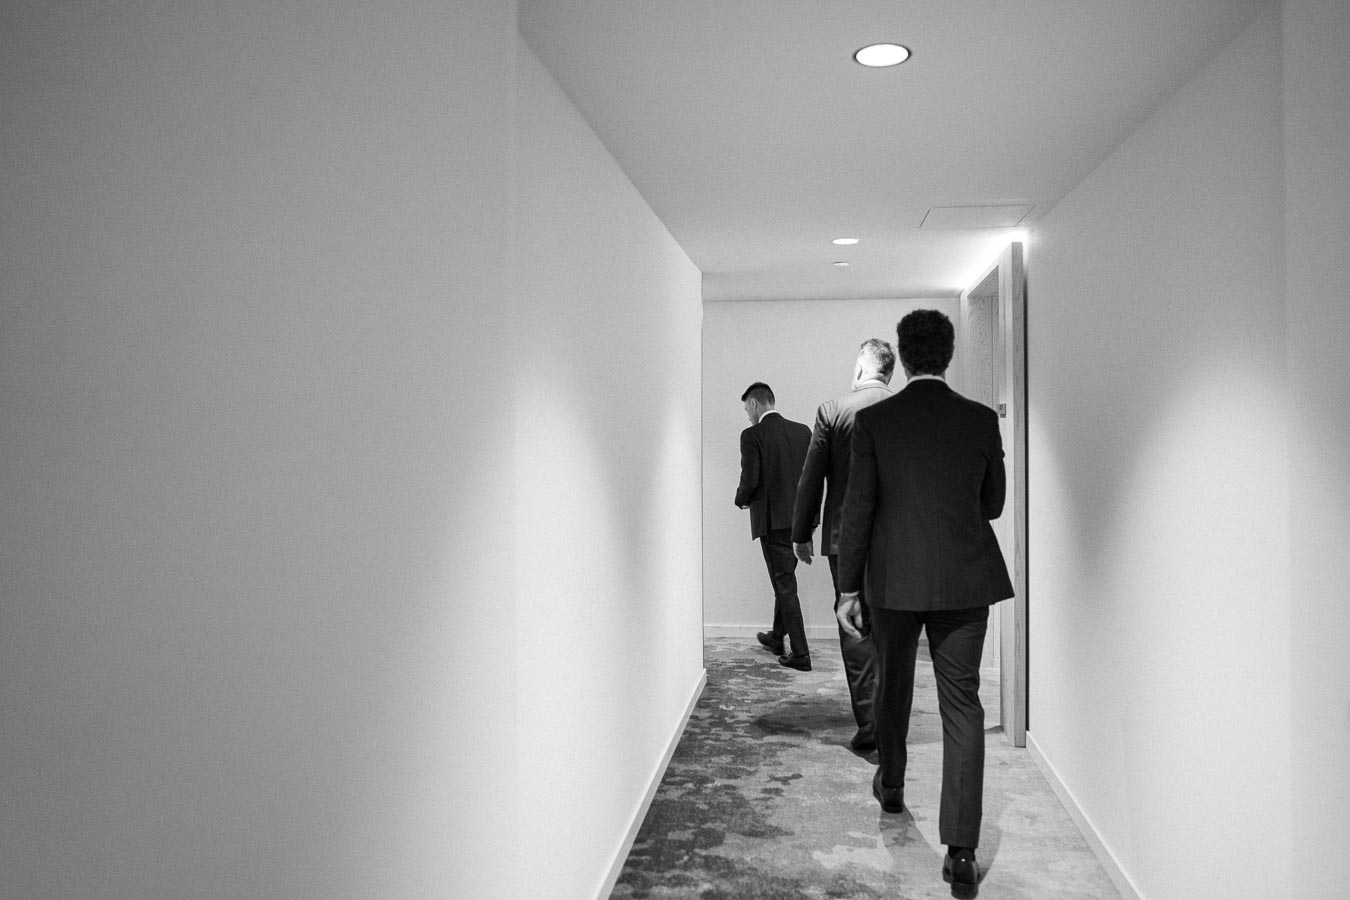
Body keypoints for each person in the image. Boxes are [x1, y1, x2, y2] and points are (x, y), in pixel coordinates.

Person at [835, 310, 1013, 888]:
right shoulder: (980, 419)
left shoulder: (876, 422)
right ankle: (961, 851)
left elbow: (858, 510)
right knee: (962, 704)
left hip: (894, 581)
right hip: (965, 580)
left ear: (904, 357)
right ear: (949, 354)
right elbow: (993, 504)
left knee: (894, 686)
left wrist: (848, 587)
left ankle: (891, 783)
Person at [789, 339, 895, 753]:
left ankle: (871, 724)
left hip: (846, 541)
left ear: (860, 369)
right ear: (888, 373)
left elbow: (811, 477)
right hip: (899, 541)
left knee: (855, 625)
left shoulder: (833, 411)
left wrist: (801, 532)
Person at [735, 382, 813, 670]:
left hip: (774, 523)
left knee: (784, 585)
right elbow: (812, 476)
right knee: (785, 580)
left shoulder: (752, 435)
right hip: (802, 521)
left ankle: (801, 655)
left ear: (754, 404)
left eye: (747, 408)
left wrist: (740, 499)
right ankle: (777, 637)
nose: (747, 415)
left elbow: (751, 478)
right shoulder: (803, 432)